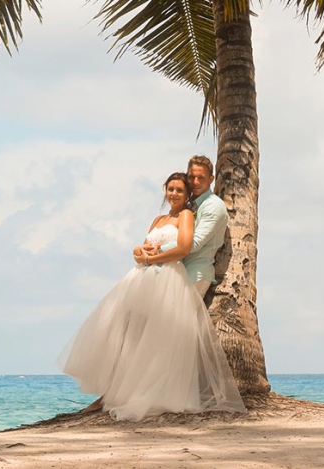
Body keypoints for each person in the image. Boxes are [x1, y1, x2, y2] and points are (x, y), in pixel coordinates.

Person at [57, 171, 245, 421]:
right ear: (165, 191)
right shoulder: (158, 219)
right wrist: (139, 251)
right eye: (171, 189)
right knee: (130, 333)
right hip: (142, 278)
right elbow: (144, 245)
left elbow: (184, 248)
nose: (174, 194)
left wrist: (151, 258)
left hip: (167, 277)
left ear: (187, 194)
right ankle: (116, 390)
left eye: (180, 190)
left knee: (158, 336)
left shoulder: (187, 215)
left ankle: (149, 392)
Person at [138, 155, 228, 296]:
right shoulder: (188, 205)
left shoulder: (213, 205)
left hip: (196, 272)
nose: (195, 182)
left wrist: (157, 250)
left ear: (211, 179)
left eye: (201, 178)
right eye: (191, 177)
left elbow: (194, 243)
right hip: (176, 270)